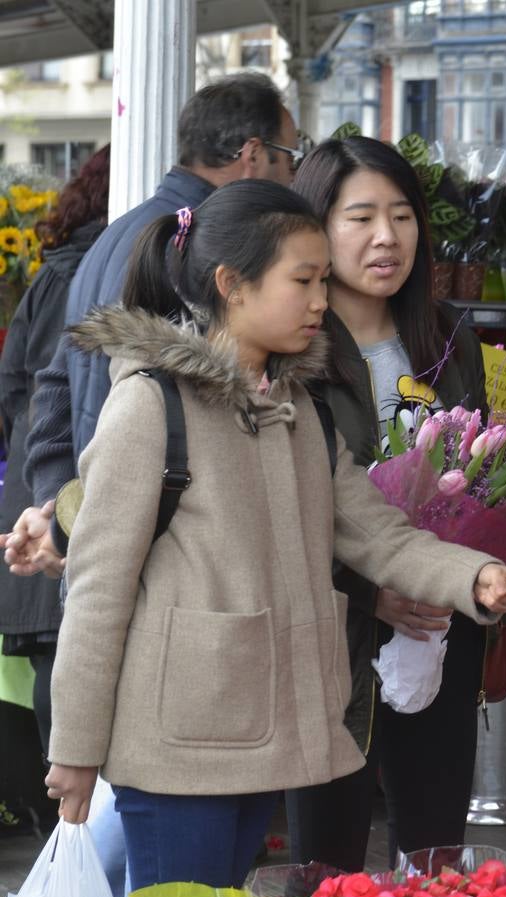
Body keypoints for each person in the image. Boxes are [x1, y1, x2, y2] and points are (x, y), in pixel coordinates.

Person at [41, 180, 506, 891]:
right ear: (232, 285)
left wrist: (475, 576)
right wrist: (75, 749)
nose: (321, 301)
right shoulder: (149, 407)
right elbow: (96, 591)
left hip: (268, 735)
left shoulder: (299, 409)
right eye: (303, 281)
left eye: (322, 281)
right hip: (178, 742)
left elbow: (380, 536)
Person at [5, 73, 302, 578]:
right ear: (253, 154)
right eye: (291, 155)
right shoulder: (193, 250)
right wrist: (66, 526)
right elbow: (161, 425)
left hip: (109, 546)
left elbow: (54, 388)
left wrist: (59, 511)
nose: (295, 176)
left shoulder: (122, 229)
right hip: (157, 565)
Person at [285, 136, 489, 868]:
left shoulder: (449, 339)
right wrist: (372, 591)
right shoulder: (292, 352)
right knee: (327, 858)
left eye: (402, 218)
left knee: (435, 848)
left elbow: (481, 477)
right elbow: (281, 507)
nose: (386, 238)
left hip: (440, 625)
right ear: (317, 227)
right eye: (361, 217)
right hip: (335, 635)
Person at [0, 145, 110, 751]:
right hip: (52, 494)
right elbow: (44, 389)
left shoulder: (65, 266)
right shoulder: (80, 273)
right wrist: (51, 496)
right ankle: (62, 832)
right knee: (60, 667)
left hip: (42, 488)